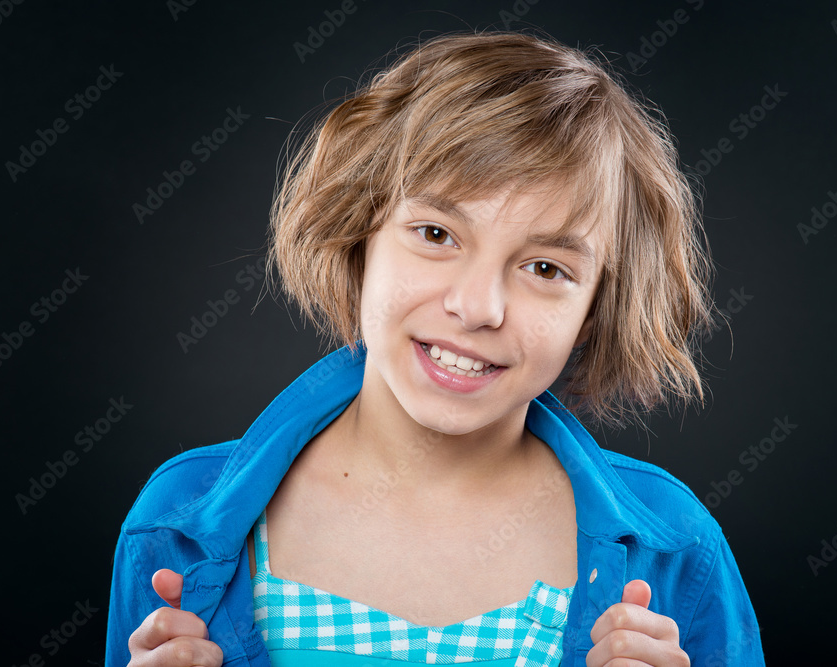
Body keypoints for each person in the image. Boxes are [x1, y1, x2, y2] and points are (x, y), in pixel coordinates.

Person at [107, 30, 764, 666]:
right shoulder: (174, 527)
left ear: (594, 311)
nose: (477, 308)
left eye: (544, 269)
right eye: (436, 232)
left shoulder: (677, 550)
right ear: (358, 235)